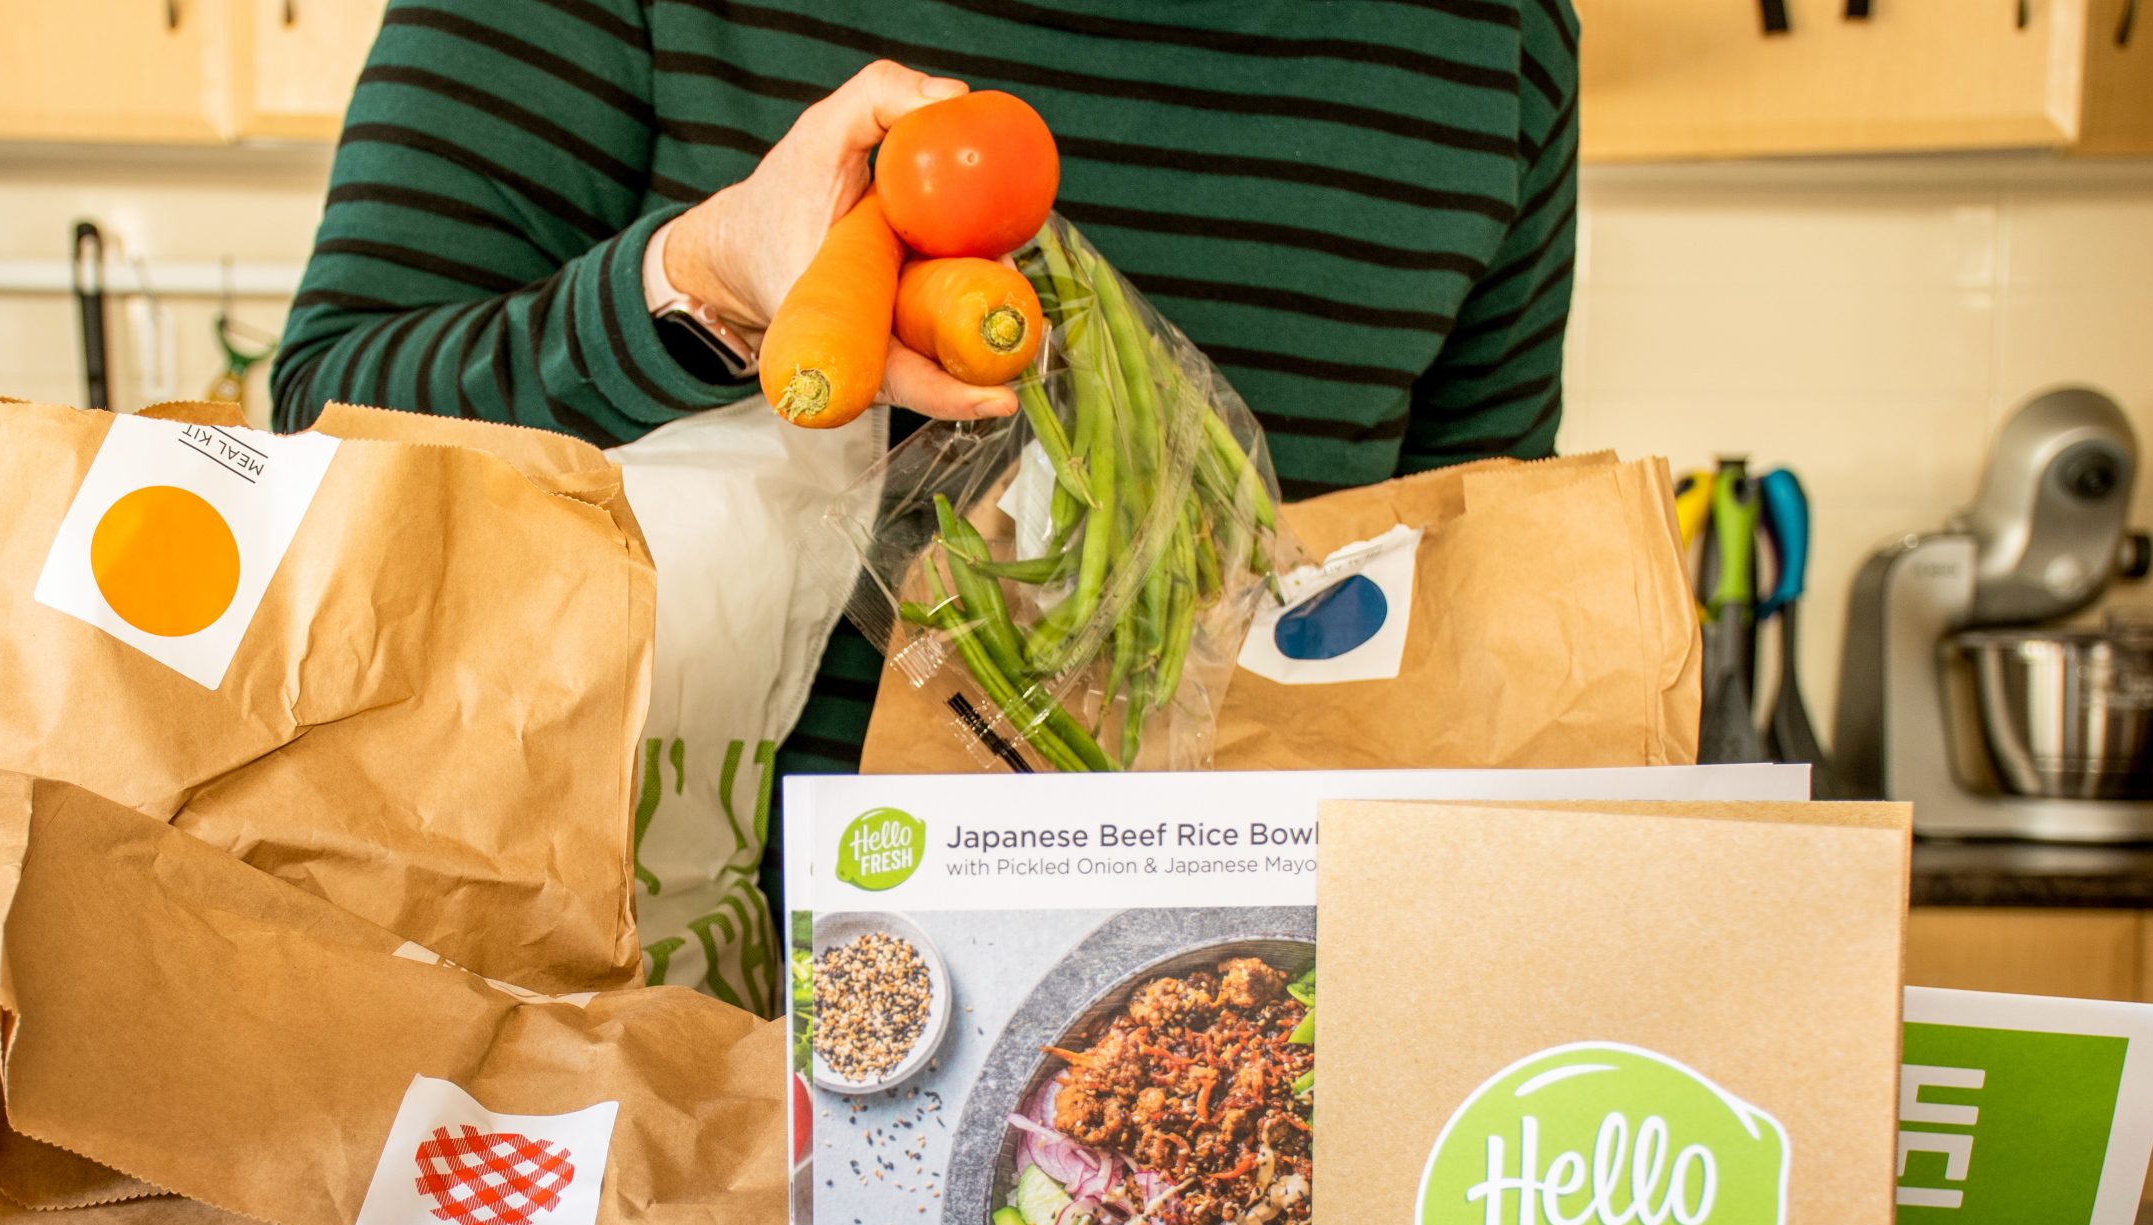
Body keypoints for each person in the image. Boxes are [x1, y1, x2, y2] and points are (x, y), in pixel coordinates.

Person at [274, 2, 1578, 928]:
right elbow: (326, 419)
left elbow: (1464, 593)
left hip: (1225, 1012)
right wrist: (708, 279)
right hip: (669, 1018)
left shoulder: (1495, 34)